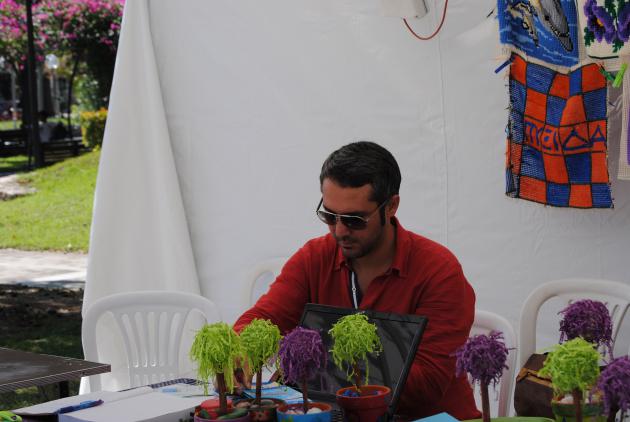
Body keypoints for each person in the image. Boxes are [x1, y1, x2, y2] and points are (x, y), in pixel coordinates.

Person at [233, 141, 481, 420]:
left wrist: (311, 366)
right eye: (329, 215)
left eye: (354, 220)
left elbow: (427, 381)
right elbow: (261, 319)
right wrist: (241, 351)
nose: (339, 231)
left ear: (391, 206)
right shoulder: (315, 257)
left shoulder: (439, 271)